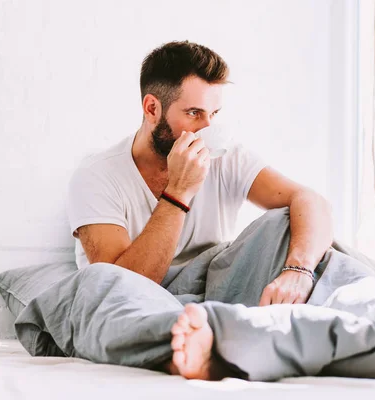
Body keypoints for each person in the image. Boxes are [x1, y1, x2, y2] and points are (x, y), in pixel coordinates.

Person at [67, 40, 333, 378]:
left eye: (215, 114)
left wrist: (299, 270)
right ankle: (204, 346)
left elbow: (311, 200)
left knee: (286, 224)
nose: (208, 129)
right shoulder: (96, 177)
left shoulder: (225, 156)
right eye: (194, 114)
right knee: (98, 305)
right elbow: (122, 284)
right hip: (141, 305)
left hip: (216, 290)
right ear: (152, 109)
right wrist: (179, 192)